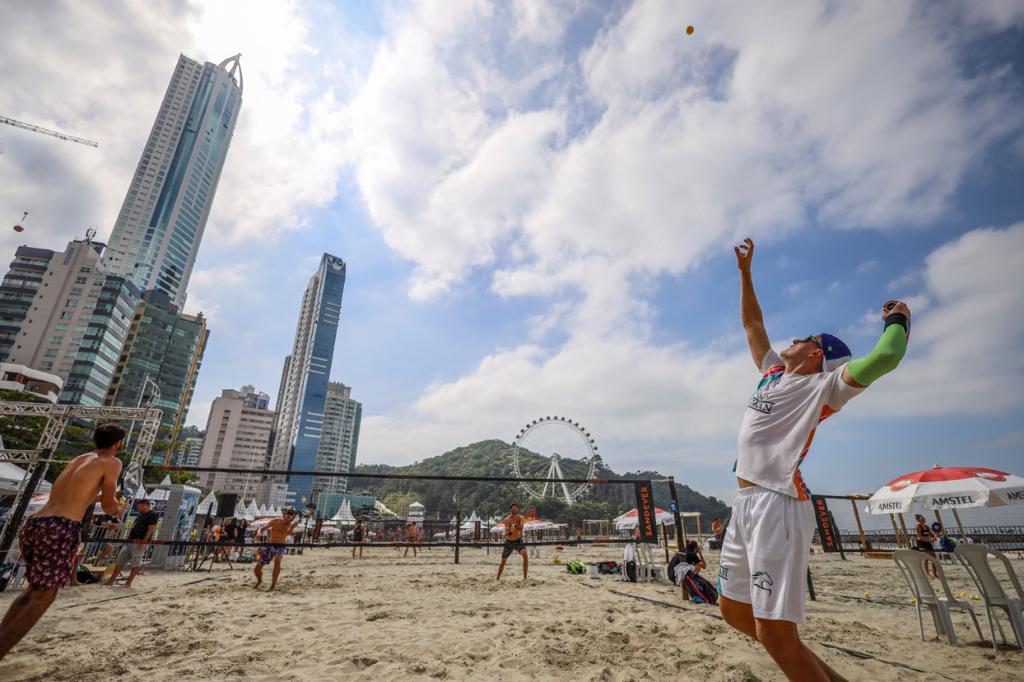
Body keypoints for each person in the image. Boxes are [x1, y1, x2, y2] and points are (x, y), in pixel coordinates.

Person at [718, 238, 909, 682]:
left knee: (775, 634)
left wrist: (898, 318)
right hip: (745, 503)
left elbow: (888, 356)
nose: (792, 339)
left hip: (779, 504)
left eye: (802, 338)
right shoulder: (771, 373)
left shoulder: (825, 387)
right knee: (731, 609)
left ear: (816, 352)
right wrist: (745, 273)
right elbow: (752, 323)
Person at [0, 423, 126, 659]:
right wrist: (118, 508)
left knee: (33, 591)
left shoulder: (80, 459)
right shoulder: (113, 462)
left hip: (36, 523)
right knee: (44, 596)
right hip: (61, 527)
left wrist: (102, 497)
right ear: (118, 443)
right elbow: (109, 507)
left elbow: (76, 494)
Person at [103, 499, 159, 588]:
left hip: (139, 541)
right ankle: (111, 580)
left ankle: (128, 583)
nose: (137, 508)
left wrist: (144, 541)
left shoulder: (153, 514)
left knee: (136, 563)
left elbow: (151, 529)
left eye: (139, 506)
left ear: (145, 505)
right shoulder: (140, 515)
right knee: (119, 561)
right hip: (130, 541)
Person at [254, 508, 300, 591]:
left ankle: (273, 585)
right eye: (288, 513)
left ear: (292, 516)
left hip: (280, 546)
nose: (289, 515)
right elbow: (262, 529)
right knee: (257, 568)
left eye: (291, 514)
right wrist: (259, 533)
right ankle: (259, 580)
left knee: (277, 563)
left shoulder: (290, 525)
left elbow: (289, 533)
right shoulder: (275, 521)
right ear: (284, 514)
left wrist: (293, 527)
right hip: (270, 545)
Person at [496, 503, 528, 580]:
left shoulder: (521, 518)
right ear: (510, 510)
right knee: (503, 560)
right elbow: (507, 533)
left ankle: (525, 577)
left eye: (516, 508)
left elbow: (521, 528)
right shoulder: (507, 519)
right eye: (513, 508)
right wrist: (510, 531)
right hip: (509, 542)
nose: (515, 509)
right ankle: (498, 577)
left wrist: (515, 526)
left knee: (525, 555)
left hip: (518, 540)